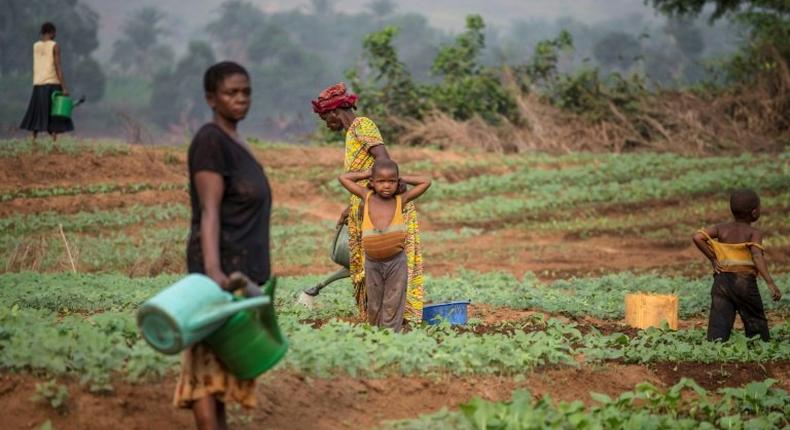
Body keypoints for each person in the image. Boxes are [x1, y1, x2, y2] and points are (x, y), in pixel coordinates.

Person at [175, 61, 272, 430]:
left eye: (246, 91)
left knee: (222, 366)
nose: (241, 99)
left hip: (240, 273)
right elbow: (209, 211)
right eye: (231, 93)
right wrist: (213, 272)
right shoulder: (210, 141)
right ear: (211, 98)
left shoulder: (236, 142)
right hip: (219, 273)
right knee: (206, 371)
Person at [312, 82, 426, 324]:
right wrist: (351, 207)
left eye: (325, 119)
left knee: (390, 261)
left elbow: (383, 160)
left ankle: (397, 320)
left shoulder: (361, 125)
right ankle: (378, 320)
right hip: (369, 205)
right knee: (371, 264)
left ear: (333, 112)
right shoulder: (351, 132)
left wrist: (374, 193)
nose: (326, 124)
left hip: (382, 208)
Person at [338, 160, 431, 331]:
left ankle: (391, 333)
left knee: (393, 300)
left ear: (397, 182)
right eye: (381, 181)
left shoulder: (400, 199)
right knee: (374, 301)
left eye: (391, 181)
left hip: (396, 262)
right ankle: (375, 332)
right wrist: (367, 174)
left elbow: (426, 181)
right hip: (372, 262)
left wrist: (401, 178)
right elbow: (343, 178)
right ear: (372, 182)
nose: (387, 185)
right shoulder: (366, 196)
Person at [692, 189, 782, 342]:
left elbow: (697, 236)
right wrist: (770, 282)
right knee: (755, 320)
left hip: (721, 282)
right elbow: (757, 256)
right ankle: (759, 345)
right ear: (754, 213)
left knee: (718, 324)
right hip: (744, 283)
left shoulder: (721, 228)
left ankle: (714, 348)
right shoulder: (754, 233)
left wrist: (713, 259)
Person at [19, 22, 74, 142]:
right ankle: (54, 140)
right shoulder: (55, 46)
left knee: (37, 110)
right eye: (55, 33)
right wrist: (64, 87)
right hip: (52, 82)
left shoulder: (35, 46)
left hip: (38, 83)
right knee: (55, 111)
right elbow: (58, 67)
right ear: (52, 32)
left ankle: (33, 139)